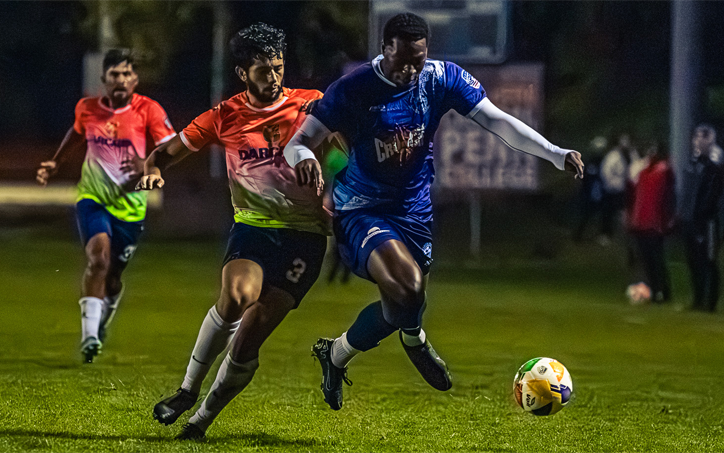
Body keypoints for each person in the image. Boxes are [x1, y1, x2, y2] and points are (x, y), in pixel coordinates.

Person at [284, 12, 584, 411]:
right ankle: (416, 340)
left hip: (415, 211)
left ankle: (335, 354)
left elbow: (497, 121)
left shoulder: (441, 78)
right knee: (408, 285)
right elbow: (298, 141)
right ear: (384, 49)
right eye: (402, 60)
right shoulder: (354, 89)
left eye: (418, 60)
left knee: (400, 306)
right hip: (363, 209)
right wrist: (304, 157)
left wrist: (555, 153)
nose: (410, 69)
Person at [137, 23, 333, 441]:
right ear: (243, 73)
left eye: (279, 68)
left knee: (249, 339)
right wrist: (152, 173)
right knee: (236, 297)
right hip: (254, 228)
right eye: (264, 70)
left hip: (306, 236)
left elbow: (344, 150)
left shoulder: (312, 105)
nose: (275, 77)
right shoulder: (224, 116)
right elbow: (162, 154)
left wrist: (342, 192)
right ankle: (188, 390)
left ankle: (201, 421)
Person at [35, 49, 176, 363]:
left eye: (127, 74)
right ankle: (88, 338)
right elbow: (76, 132)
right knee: (98, 259)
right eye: (114, 75)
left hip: (129, 206)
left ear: (135, 80)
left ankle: (100, 325)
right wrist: (56, 163)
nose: (121, 80)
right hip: (93, 198)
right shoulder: (88, 109)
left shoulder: (149, 110)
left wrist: (149, 166)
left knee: (113, 276)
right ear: (104, 80)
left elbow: (171, 147)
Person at [680, 124, 724, 312]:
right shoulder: (692, 165)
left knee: (708, 261)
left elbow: (711, 196)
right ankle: (697, 298)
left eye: (703, 138)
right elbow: (687, 193)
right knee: (694, 261)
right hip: (690, 220)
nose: (698, 141)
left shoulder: (714, 169)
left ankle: (710, 302)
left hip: (707, 222)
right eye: (696, 137)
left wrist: (702, 214)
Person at [626, 142, 675, 303]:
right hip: (642, 221)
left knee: (656, 259)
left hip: (654, 223)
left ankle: (663, 290)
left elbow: (667, 198)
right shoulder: (644, 173)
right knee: (648, 259)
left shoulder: (663, 171)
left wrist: (666, 220)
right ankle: (655, 290)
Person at [600, 133, 641, 245]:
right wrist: (612, 184)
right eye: (624, 141)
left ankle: (626, 233)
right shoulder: (613, 156)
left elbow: (637, 168)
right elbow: (606, 172)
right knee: (608, 212)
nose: (626, 143)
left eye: (628, 141)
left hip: (626, 188)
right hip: (613, 189)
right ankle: (606, 234)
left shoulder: (632, 154)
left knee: (624, 211)